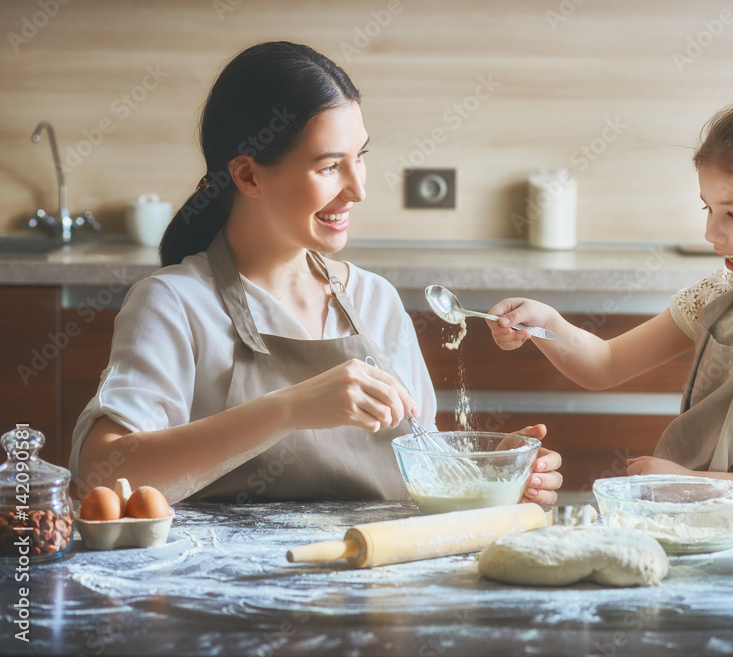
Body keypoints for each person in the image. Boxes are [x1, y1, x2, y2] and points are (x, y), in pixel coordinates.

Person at [70, 41, 562, 505]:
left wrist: (488, 473)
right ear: (247, 175)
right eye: (329, 167)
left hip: (374, 591)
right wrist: (289, 409)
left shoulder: (375, 301)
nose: (357, 190)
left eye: (360, 158)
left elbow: (424, 462)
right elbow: (101, 475)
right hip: (228, 594)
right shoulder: (175, 304)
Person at [487, 50, 733, 509]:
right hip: (702, 523)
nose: (712, 232)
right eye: (708, 209)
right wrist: (545, 323)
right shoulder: (721, 293)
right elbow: (606, 362)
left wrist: (701, 486)